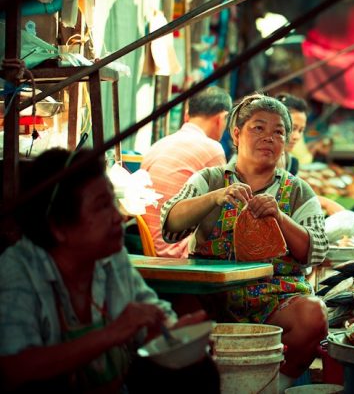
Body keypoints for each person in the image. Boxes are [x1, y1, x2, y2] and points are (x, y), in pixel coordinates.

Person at [0, 148, 215, 393]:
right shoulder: (19, 269)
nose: (118, 217)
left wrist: (175, 334)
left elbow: (151, 313)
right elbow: (13, 368)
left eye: (113, 202)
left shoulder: (110, 259)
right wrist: (111, 333)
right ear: (58, 226)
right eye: (102, 206)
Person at [161, 94, 329, 391]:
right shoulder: (209, 179)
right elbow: (171, 227)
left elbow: (314, 251)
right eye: (258, 128)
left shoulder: (298, 191)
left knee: (313, 315)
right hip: (211, 297)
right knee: (170, 308)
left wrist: (279, 217)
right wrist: (213, 198)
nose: (268, 138)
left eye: (278, 132)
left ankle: (274, 386)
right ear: (236, 135)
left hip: (274, 300)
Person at [141, 86, 232, 258]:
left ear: (187, 114)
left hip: (146, 246)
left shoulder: (160, 144)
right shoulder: (212, 149)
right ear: (222, 118)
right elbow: (221, 211)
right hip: (175, 251)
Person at [275, 92, 308, 175]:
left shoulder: (292, 165)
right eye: (293, 128)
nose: (296, 136)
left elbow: (287, 188)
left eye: (301, 130)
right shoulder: (246, 163)